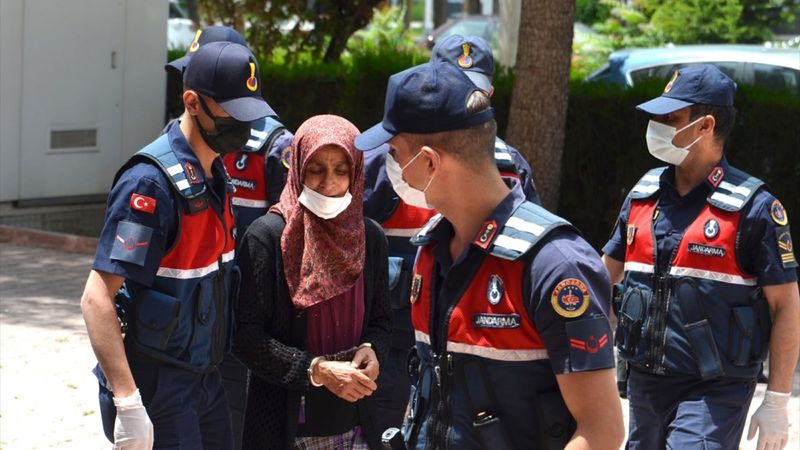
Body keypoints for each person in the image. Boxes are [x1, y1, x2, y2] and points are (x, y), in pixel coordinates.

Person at [355, 61, 624, 450]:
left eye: (395, 154)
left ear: (429, 161)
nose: (392, 168)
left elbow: (602, 431)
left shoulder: (554, 264)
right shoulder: (430, 252)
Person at [80, 41, 273, 450]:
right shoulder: (150, 185)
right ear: (192, 102)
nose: (245, 125)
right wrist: (128, 401)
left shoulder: (216, 175)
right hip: (158, 385)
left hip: (207, 378)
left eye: (250, 112)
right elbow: (97, 298)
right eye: (233, 113)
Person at [602, 64, 799, 450]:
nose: (657, 126)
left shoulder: (754, 208)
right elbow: (601, 277)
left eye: (670, 119)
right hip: (645, 383)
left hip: (715, 390)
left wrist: (776, 401)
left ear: (706, 126)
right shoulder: (643, 196)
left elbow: (786, 304)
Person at [362, 34, 541, 435]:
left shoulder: (510, 168)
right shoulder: (382, 162)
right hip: (393, 335)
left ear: (488, 95)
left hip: (474, 338)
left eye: (470, 91)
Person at [164, 26, 295, 450]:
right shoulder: (185, 140)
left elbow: (292, 240)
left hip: (244, 322)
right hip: (192, 323)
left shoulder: (274, 146)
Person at [233, 114, 392, 450]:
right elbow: (244, 336)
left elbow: (381, 321)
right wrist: (316, 370)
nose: (328, 182)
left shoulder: (371, 238)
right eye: (316, 169)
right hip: (286, 429)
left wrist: (372, 349)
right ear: (297, 168)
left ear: (356, 173)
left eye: (341, 170)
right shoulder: (267, 237)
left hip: (356, 425)